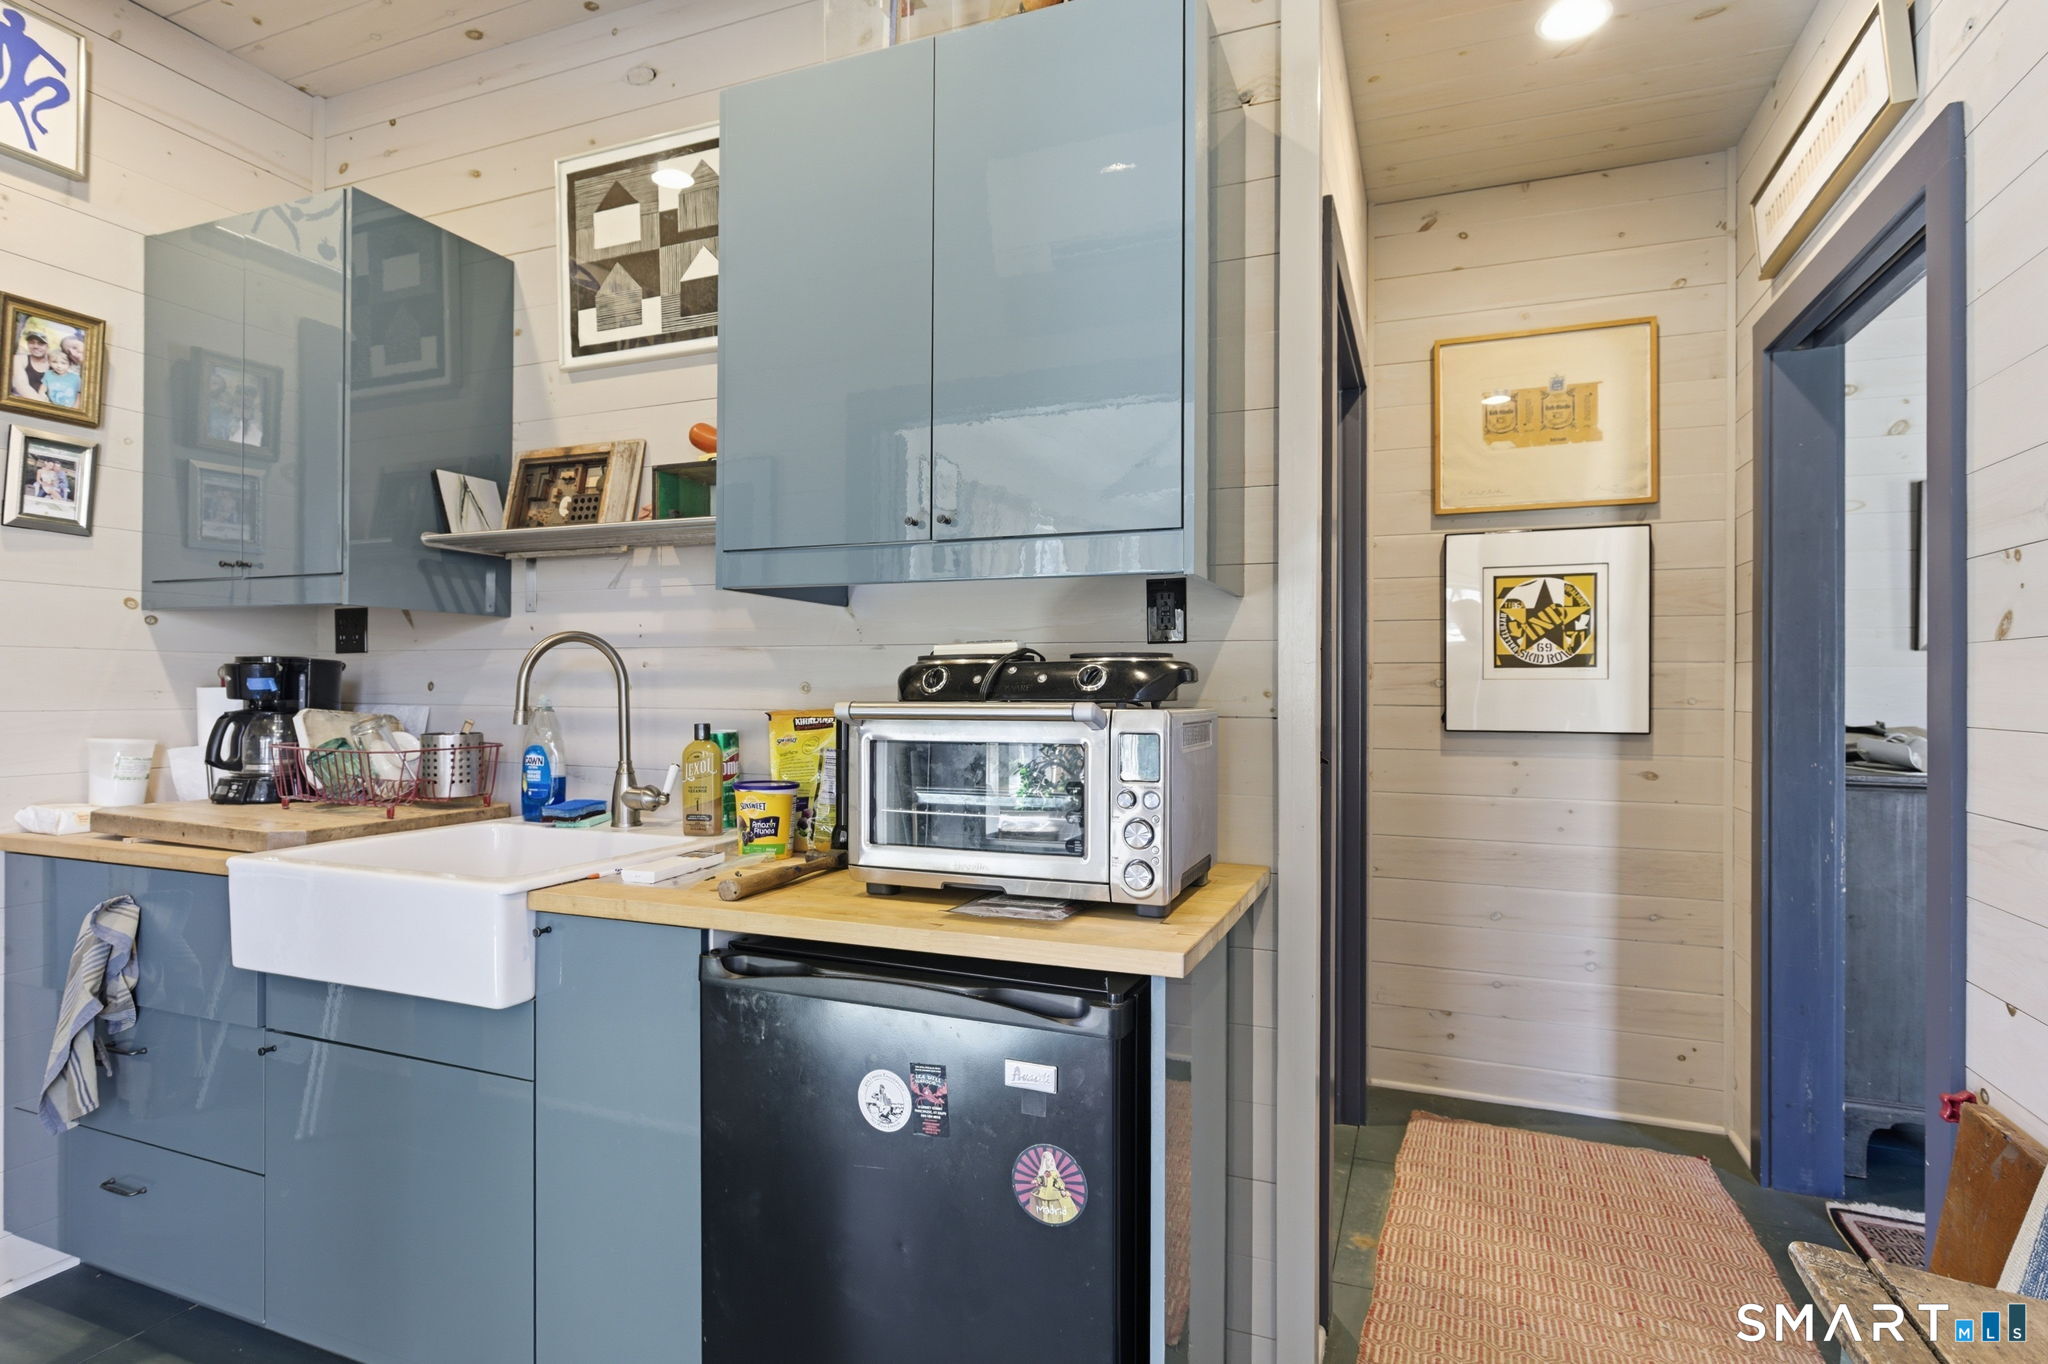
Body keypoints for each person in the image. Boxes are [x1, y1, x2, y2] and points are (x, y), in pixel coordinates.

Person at [10, 329, 51, 399]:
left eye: (40, 343)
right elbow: (22, 386)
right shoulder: (19, 359)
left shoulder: (54, 364)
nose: (35, 346)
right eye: (32, 342)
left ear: (47, 346)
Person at [43, 334, 80, 409]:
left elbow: (78, 397)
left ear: (69, 364)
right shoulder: (48, 375)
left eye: (63, 363)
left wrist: (74, 410)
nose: (59, 366)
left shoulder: (76, 378)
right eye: (54, 362)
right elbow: (42, 391)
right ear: (49, 362)